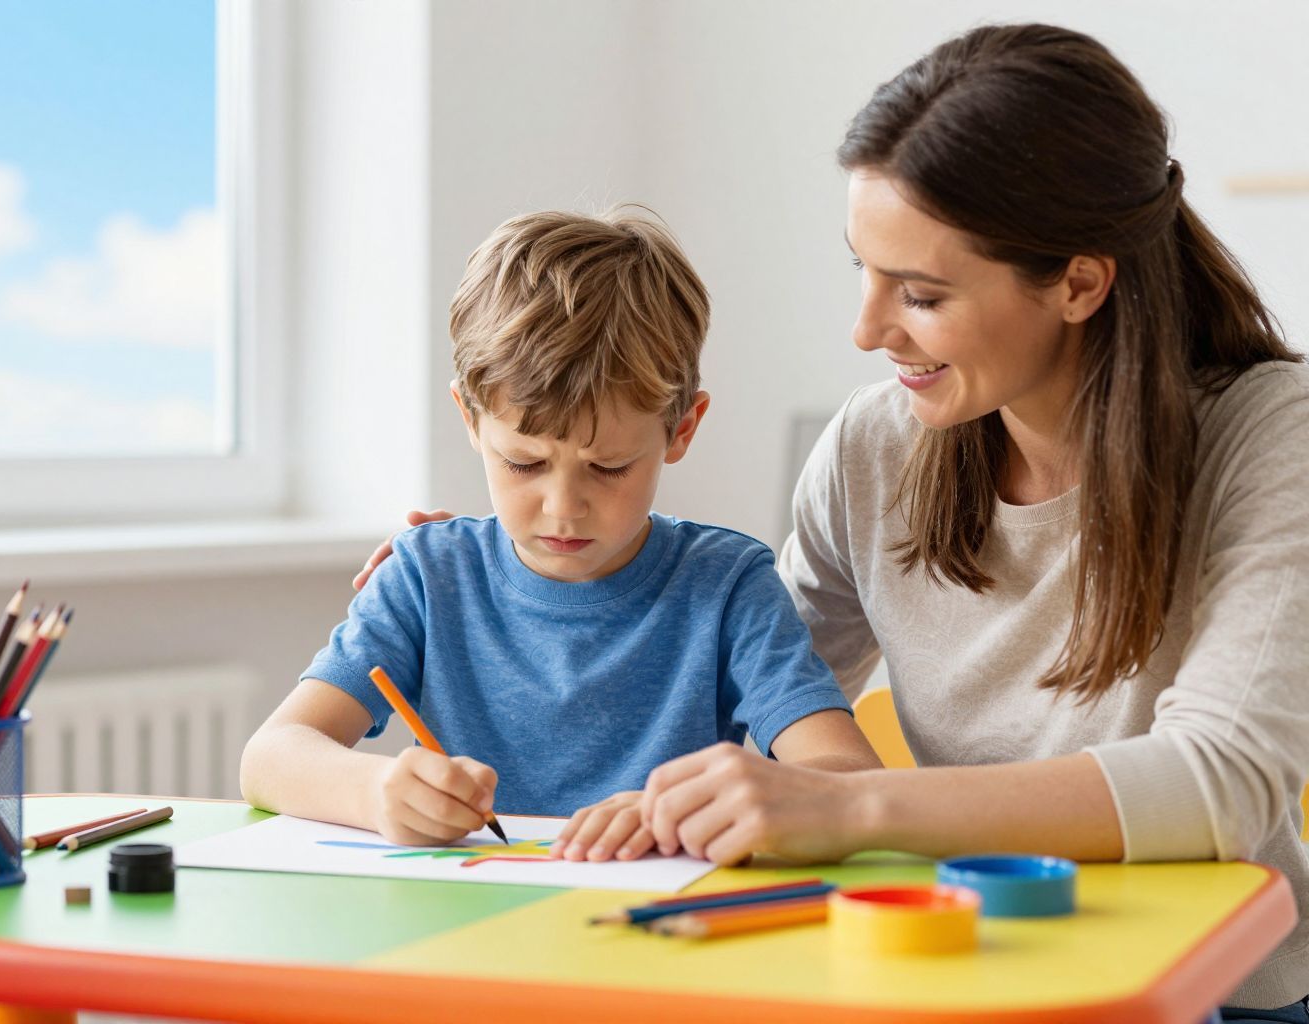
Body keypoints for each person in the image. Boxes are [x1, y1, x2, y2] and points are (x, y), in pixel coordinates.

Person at [354, 25, 1309, 1019]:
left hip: (1207, 994)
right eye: (865, 270)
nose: (867, 330)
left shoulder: (1269, 432)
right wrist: (511, 578)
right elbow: (745, 691)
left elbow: (1220, 781)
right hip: (950, 972)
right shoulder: (875, 447)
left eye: (922, 294)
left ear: (1078, 281)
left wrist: (854, 806)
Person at [240, 208, 880, 854]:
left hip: (650, 911)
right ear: (470, 418)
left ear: (682, 428)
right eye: (524, 463)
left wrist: (683, 808)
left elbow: (848, 776)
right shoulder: (426, 577)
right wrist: (378, 792)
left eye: (609, 467)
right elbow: (269, 758)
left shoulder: (728, 585)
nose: (563, 507)